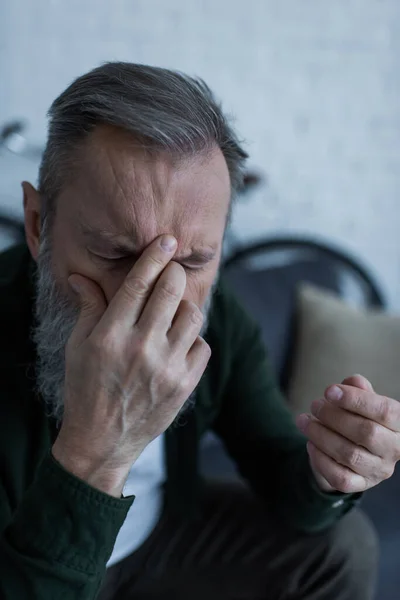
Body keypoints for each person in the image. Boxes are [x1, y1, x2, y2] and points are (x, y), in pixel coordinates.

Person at [0, 62, 398, 600]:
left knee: (343, 545)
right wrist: (97, 451)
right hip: (33, 562)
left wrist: (332, 469)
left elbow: (282, 472)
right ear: (37, 224)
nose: (155, 297)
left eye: (191, 262)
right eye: (116, 253)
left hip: (159, 538)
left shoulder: (222, 315)